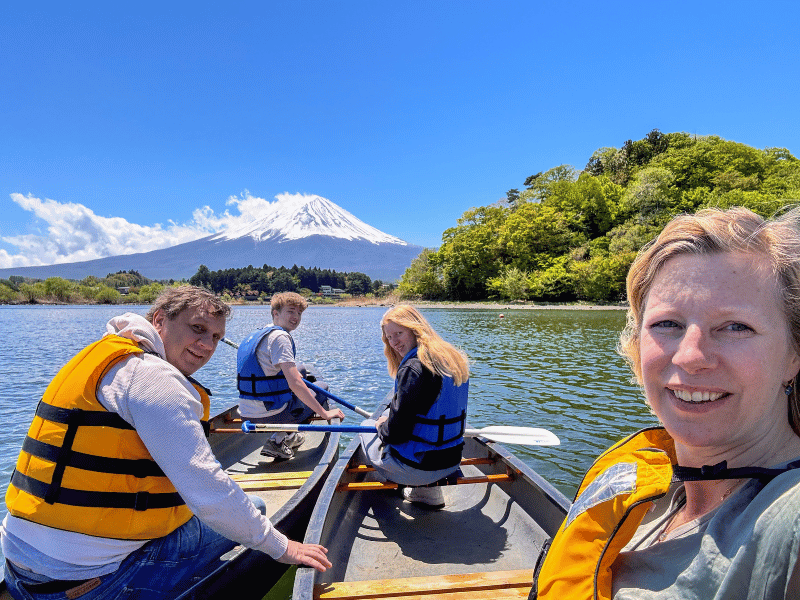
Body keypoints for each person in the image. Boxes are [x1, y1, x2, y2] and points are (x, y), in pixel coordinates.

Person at [531, 207, 800, 600]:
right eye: (667, 324)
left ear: (794, 355)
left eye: (736, 326)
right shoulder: (660, 492)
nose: (690, 356)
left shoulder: (789, 518)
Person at [1, 286, 331, 600]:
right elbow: (209, 493)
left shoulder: (101, 356)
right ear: (159, 319)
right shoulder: (154, 378)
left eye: (215, 337)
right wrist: (284, 547)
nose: (207, 345)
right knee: (255, 509)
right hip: (90, 585)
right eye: (197, 328)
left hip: (18, 570)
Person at [359, 304, 470, 509]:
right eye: (389, 337)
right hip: (453, 461)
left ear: (415, 329)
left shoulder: (414, 368)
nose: (394, 342)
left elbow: (396, 434)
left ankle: (388, 483)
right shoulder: (451, 358)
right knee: (392, 416)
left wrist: (381, 426)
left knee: (366, 426)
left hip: (419, 468)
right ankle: (428, 493)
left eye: (398, 333)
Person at [236, 292, 344, 459]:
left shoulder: (260, 333)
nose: (296, 317)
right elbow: (295, 384)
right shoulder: (281, 338)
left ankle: (288, 434)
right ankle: (279, 440)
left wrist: (296, 377)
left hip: (245, 414)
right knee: (322, 388)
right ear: (276, 313)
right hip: (269, 416)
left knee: (301, 370)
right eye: (291, 311)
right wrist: (325, 413)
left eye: (299, 313)